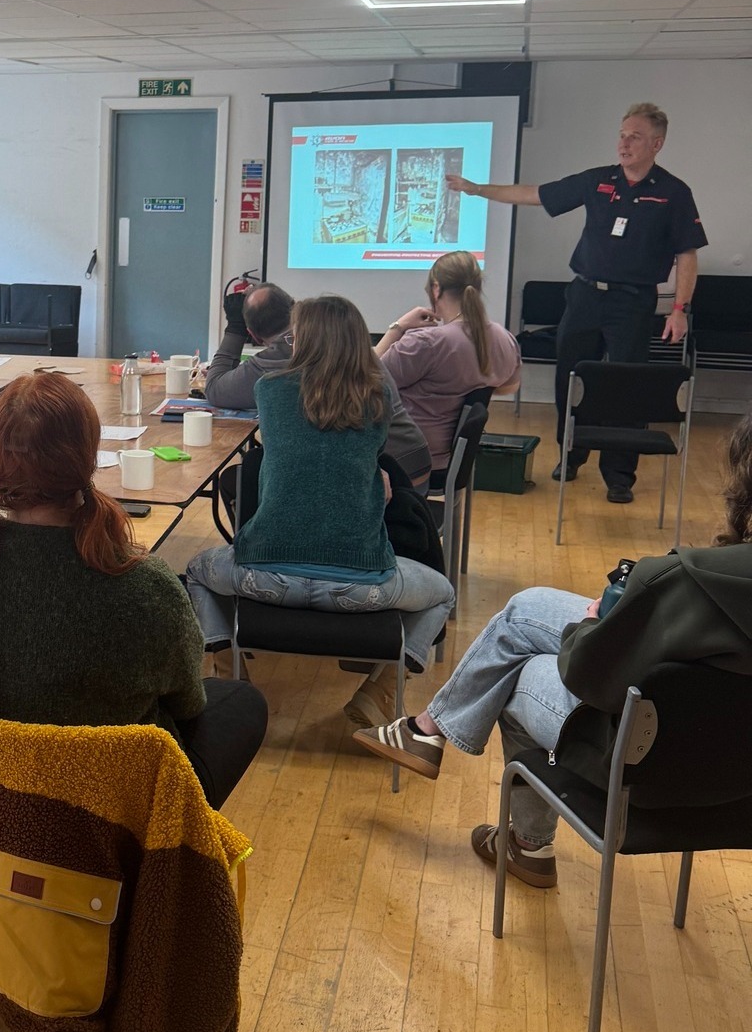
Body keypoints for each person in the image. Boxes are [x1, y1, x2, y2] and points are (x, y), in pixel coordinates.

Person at [355, 411, 752, 887]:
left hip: (640, 766)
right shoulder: (683, 584)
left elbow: (590, 674)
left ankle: (526, 842)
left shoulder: (682, 582)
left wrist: (591, 628)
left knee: (518, 669)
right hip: (736, 780)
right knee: (526, 609)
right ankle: (429, 730)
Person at [0, 371, 267, 809]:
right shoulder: (147, 588)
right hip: (109, 815)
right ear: (87, 458)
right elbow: (188, 700)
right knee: (243, 703)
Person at [186, 295, 456, 739]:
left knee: (196, 571)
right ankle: (381, 692)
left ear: (301, 338)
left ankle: (228, 673)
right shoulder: (378, 394)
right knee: (442, 594)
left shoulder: (268, 390)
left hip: (263, 578)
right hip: (361, 586)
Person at [447, 102, 706, 503]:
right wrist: (478, 190)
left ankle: (619, 474)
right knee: (571, 378)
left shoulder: (674, 193)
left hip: (634, 302)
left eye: (634, 136)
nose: (624, 142)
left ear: (657, 143)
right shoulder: (598, 180)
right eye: (622, 134)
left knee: (626, 386)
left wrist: (679, 310)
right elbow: (535, 194)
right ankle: (570, 454)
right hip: (584, 295)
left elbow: (687, 255)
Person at [205, 280, 433, 488]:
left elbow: (215, 389)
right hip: (411, 457)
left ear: (252, 335)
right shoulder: (353, 348)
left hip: (379, 478)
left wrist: (234, 326)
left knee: (250, 475)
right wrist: (397, 328)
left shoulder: (270, 380)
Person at [374, 251, 521, 473]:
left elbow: (366, 379)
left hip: (407, 457)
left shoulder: (425, 343)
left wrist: (398, 327)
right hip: (455, 458)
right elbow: (509, 387)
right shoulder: (504, 338)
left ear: (436, 288)